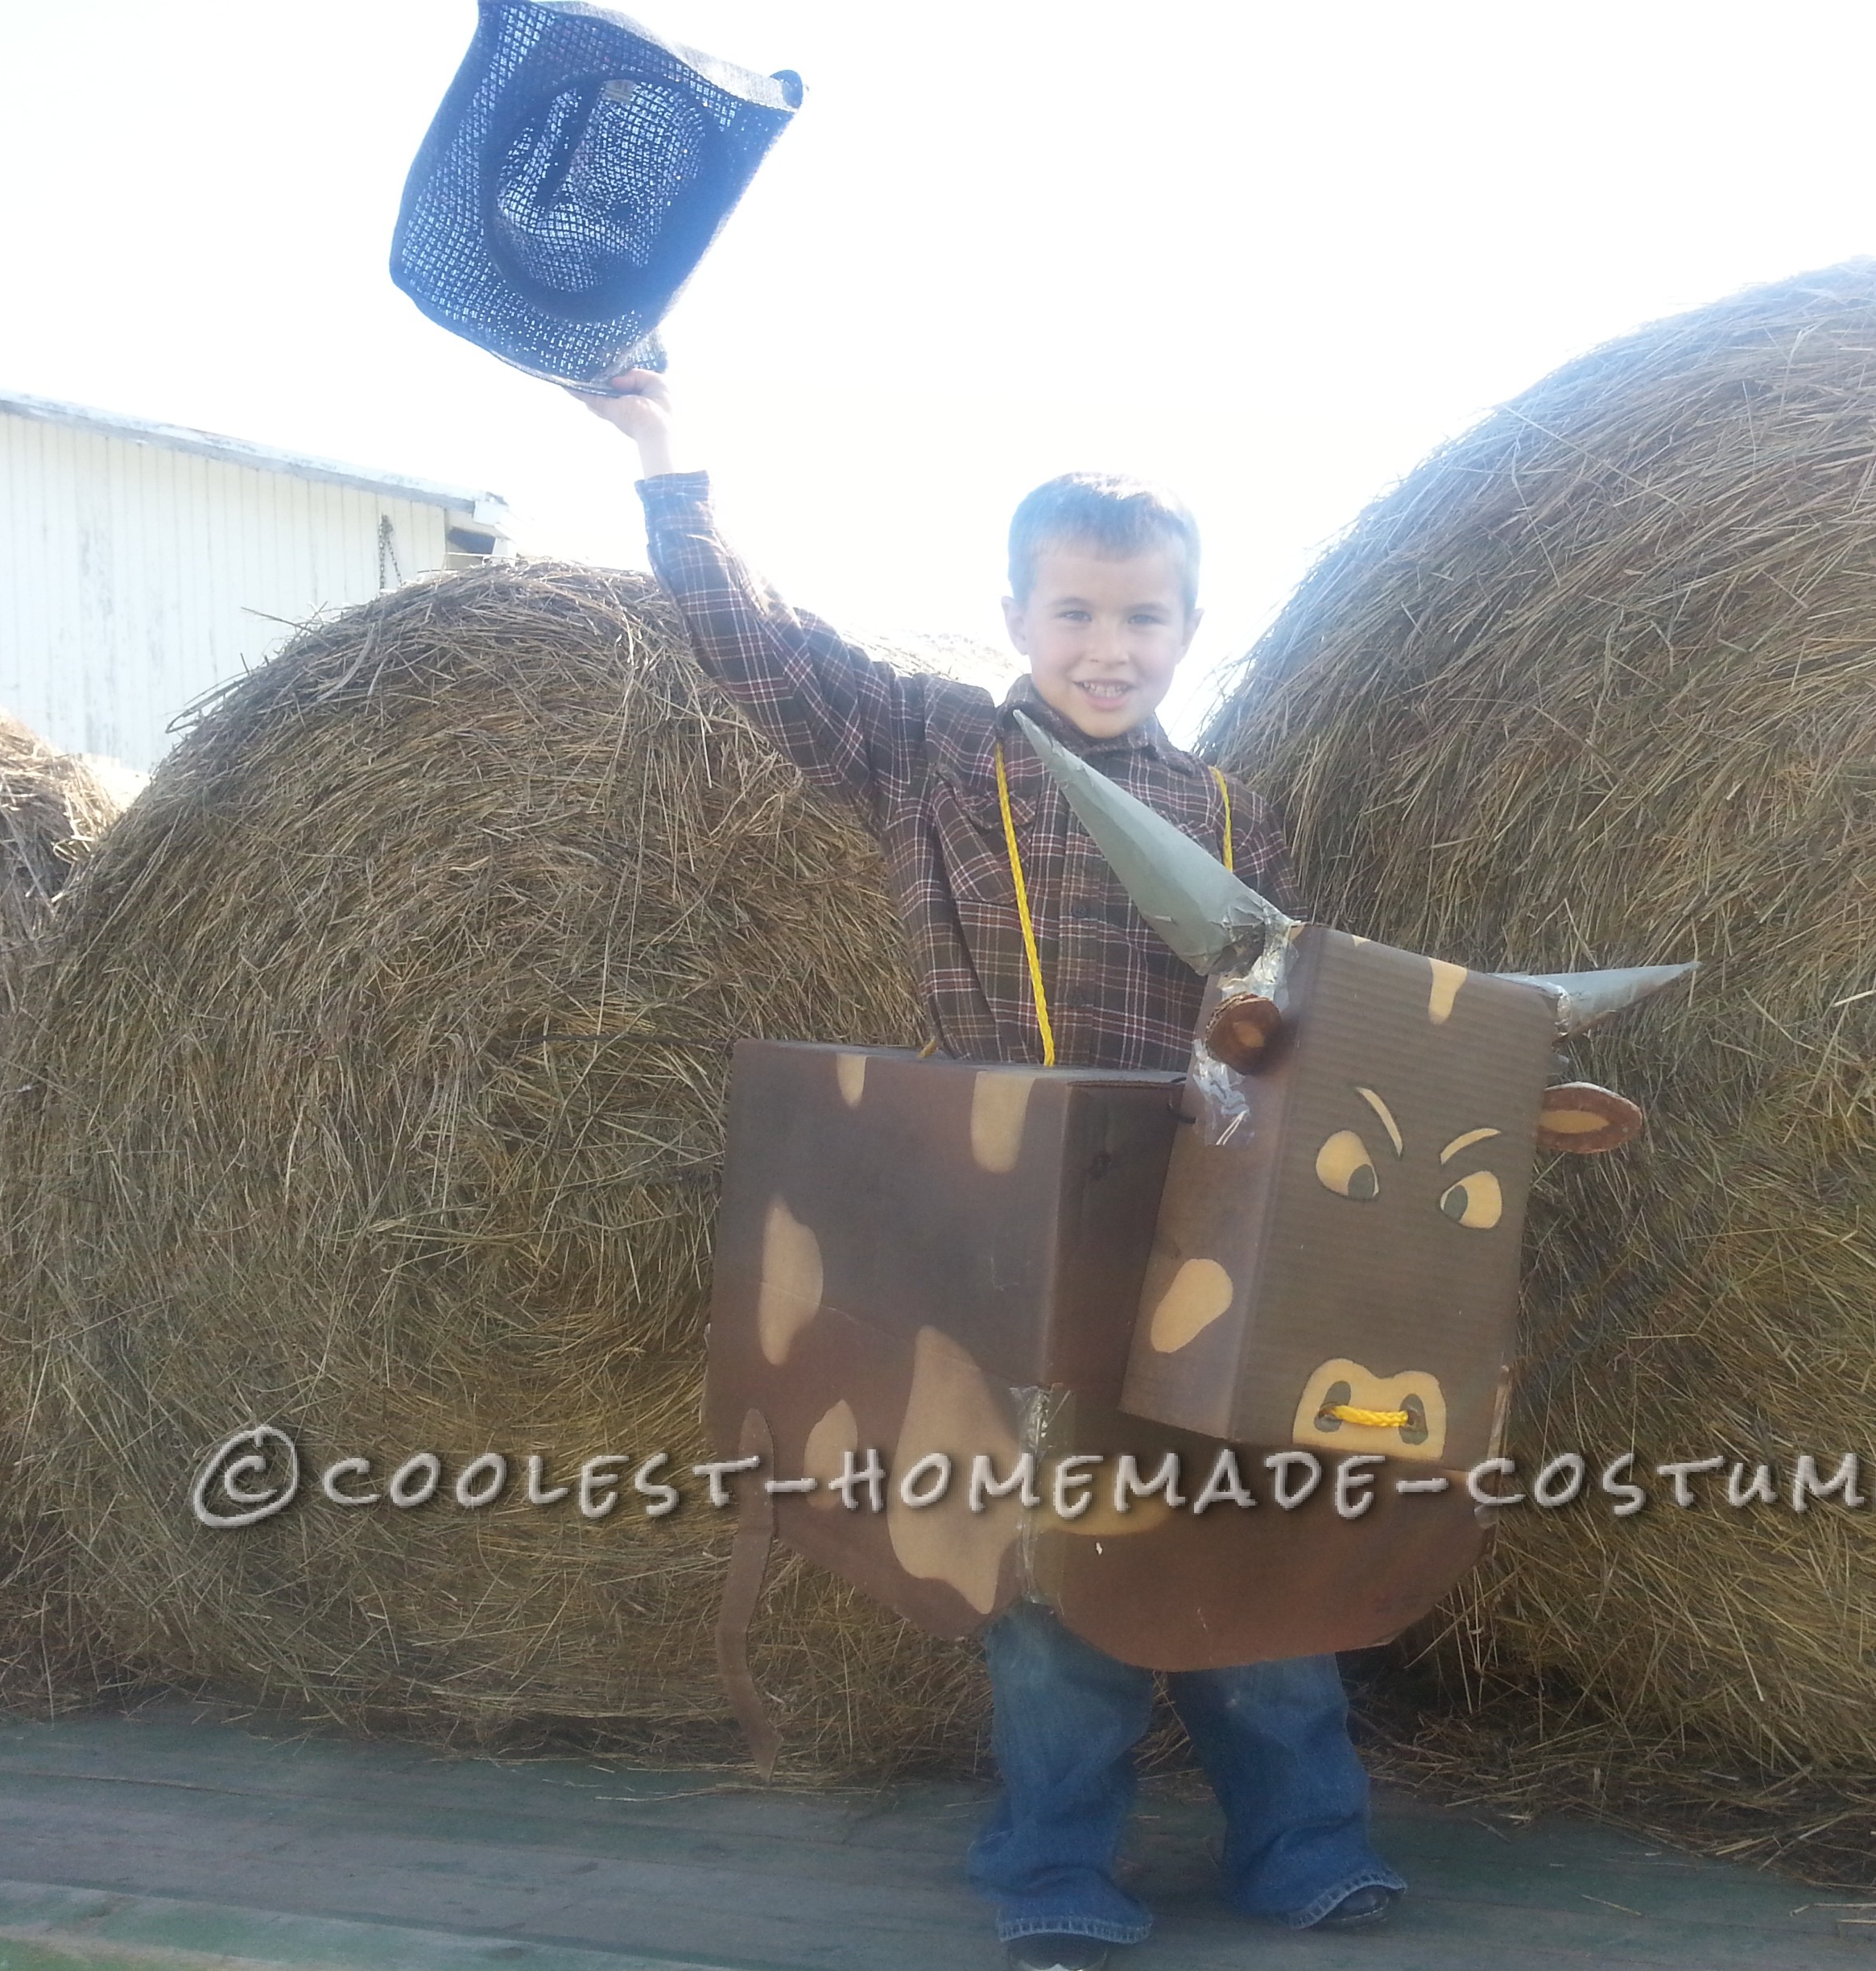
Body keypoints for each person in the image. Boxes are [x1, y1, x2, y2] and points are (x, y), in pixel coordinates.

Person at [577, 372, 1406, 1971]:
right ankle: (1051, 1860)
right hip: (1012, 1244)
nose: (1112, 645)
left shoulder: (1235, 809)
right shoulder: (936, 758)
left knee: (1249, 1545)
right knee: (1052, 1576)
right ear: (1017, 613)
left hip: (1194, 1233)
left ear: (1188, 626)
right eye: (1079, 611)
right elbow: (763, 655)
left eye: (1146, 616)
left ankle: (1307, 1844)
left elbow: (1291, 1027)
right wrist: (664, 463)